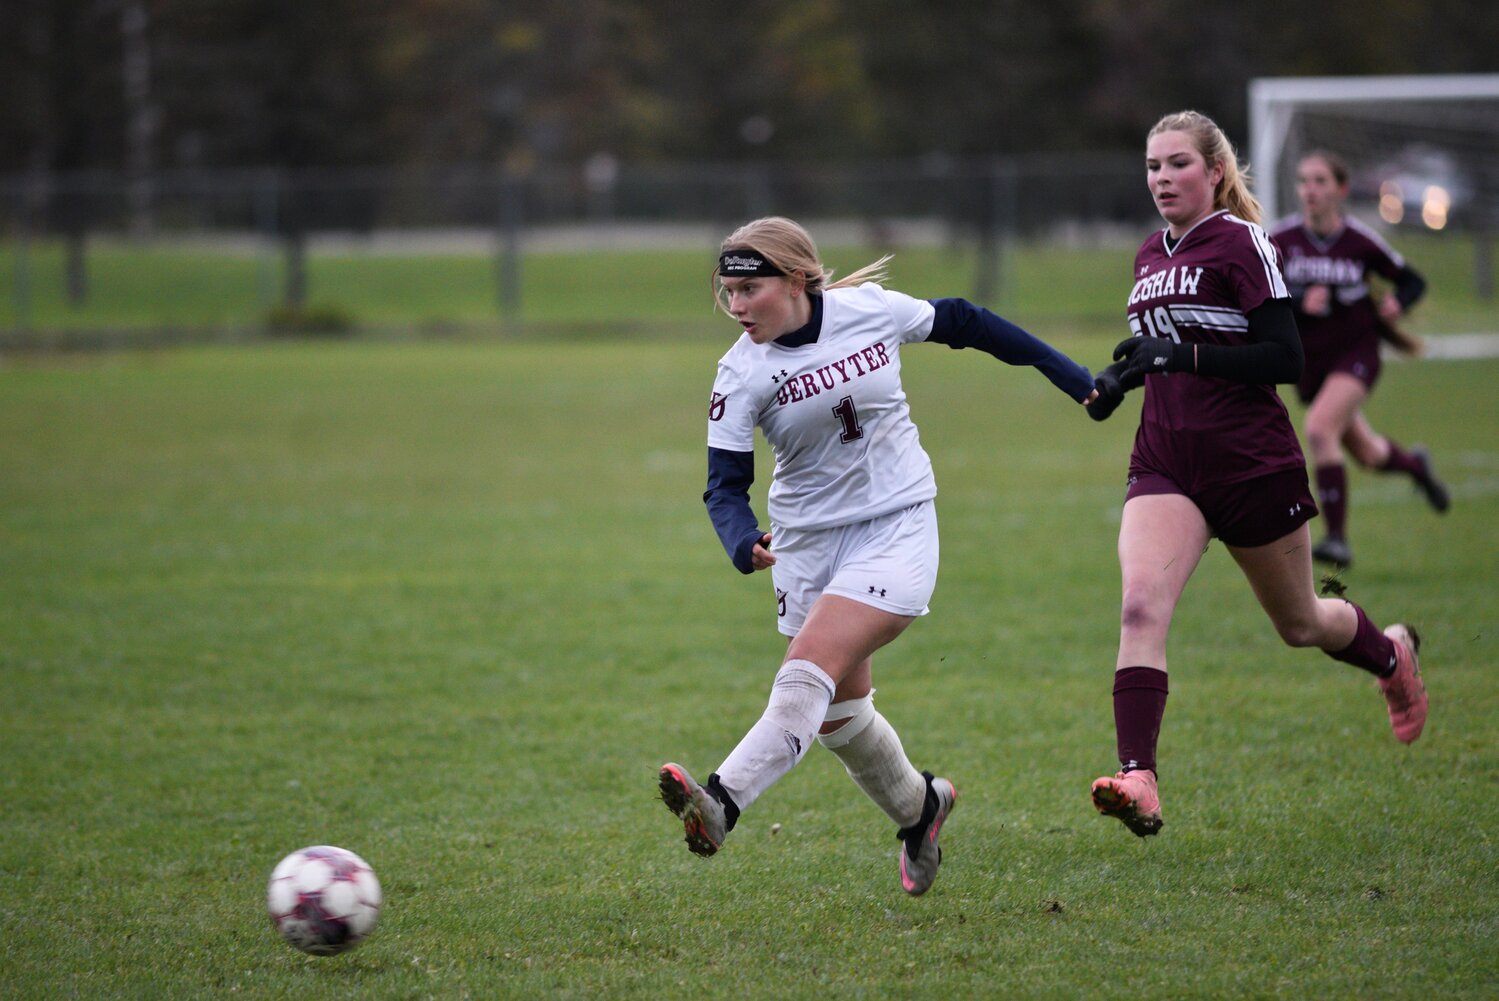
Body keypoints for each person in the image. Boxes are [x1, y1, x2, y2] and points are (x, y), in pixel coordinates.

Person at [659, 215, 1098, 894]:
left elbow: (966, 320)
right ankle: (922, 809)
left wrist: (1074, 377)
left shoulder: (868, 311)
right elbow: (723, 486)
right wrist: (742, 540)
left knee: (805, 671)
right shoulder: (738, 372)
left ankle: (720, 801)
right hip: (805, 545)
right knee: (838, 715)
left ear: (797, 277)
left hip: (895, 525)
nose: (738, 306)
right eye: (727, 292)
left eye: (750, 289)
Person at [1084, 112, 1427, 839]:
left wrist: (1178, 358)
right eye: (1151, 166)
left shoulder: (1242, 243)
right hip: (1165, 460)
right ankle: (1138, 776)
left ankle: (1389, 653)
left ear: (1213, 171)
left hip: (1249, 463)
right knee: (1139, 607)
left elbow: (1283, 358)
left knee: (1301, 622)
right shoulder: (1148, 252)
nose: (1160, 179)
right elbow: (1162, 348)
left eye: (1176, 164)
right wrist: (1121, 379)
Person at [1270, 150, 1449, 570]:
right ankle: (1417, 468)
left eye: (1320, 181)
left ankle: (1336, 540)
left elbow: (1413, 281)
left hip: (1356, 355)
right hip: (1311, 364)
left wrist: (1395, 305)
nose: (1309, 190)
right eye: (1303, 181)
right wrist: (1297, 301)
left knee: (1318, 429)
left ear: (1341, 189)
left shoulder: (1360, 241)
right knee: (1367, 454)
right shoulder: (1280, 240)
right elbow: (1256, 294)